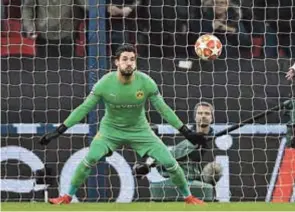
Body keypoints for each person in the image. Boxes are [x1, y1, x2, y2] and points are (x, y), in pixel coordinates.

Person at [39, 44, 206, 205]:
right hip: (110, 130)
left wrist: (186, 132)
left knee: (170, 163)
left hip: (140, 130)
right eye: (125, 59)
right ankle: (66, 197)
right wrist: (59, 131)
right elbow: (84, 108)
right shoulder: (105, 83)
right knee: (90, 158)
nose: (129, 63)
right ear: (116, 62)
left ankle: (188, 198)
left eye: (132, 59)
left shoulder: (146, 82)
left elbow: (164, 110)